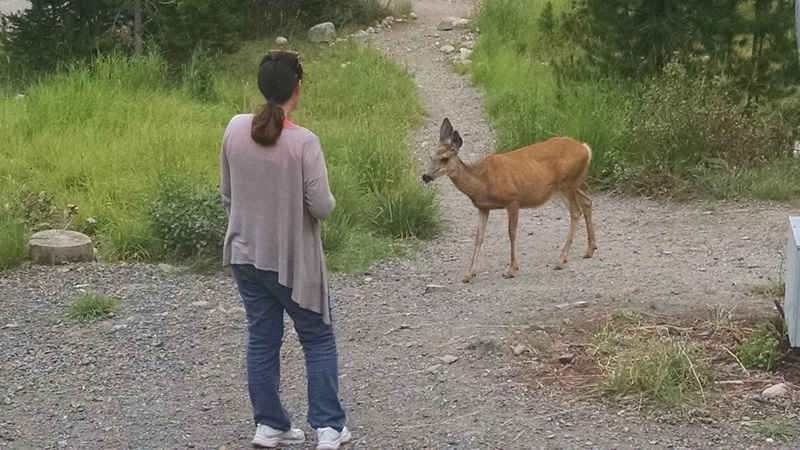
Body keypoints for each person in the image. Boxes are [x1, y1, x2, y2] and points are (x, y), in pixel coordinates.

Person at [220, 50, 350, 450]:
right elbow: (322, 207)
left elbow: (228, 194)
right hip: (293, 261)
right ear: (298, 87)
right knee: (317, 337)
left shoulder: (235, 128)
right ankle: (328, 428)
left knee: (262, 338)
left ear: (261, 86)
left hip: (245, 252)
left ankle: (270, 425)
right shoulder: (304, 142)